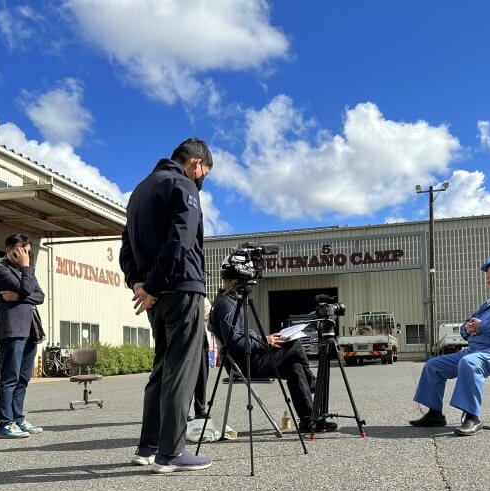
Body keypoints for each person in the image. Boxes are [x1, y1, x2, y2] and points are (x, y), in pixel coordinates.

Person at [120, 138, 213, 473]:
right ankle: (171, 452)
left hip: (154, 297)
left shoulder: (139, 192)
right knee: (181, 369)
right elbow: (181, 239)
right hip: (179, 288)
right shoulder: (182, 185)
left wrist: (140, 284)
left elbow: (126, 248)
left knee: (161, 369)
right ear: (197, 163)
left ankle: (148, 446)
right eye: (205, 172)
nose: (203, 179)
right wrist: (156, 284)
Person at [410, 253, 490, 436]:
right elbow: (468, 324)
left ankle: (472, 417)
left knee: (470, 362)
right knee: (434, 365)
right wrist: (467, 329)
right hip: (477, 350)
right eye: (487, 272)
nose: (487, 276)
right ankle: (435, 414)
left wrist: (482, 326)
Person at [210, 257, 336, 434]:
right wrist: (264, 341)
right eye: (246, 283)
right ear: (235, 282)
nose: (249, 288)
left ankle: (308, 420)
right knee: (294, 345)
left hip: (248, 357)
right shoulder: (226, 304)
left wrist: (265, 338)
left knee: (295, 366)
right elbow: (234, 341)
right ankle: (313, 383)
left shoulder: (229, 301)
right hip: (243, 363)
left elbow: (240, 336)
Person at [0, 233, 45, 438]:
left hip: (30, 331)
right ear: (8, 250)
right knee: (10, 378)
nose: (24, 256)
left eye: (27, 252)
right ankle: (4, 423)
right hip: (12, 331)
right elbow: (30, 288)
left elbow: (40, 296)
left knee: (23, 378)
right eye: (20, 252)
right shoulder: (0, 270)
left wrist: (19, 295)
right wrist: (26, 267)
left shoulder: (23, 271)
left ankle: (18, 419)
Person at [190, 296, 212, 421]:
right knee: (185, 377)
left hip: (202, 337)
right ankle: (182, 411)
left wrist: (206, 315)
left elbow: (209, 312)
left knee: (202, 376)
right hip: (186, 337)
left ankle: (200, 409)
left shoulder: (201, 295)